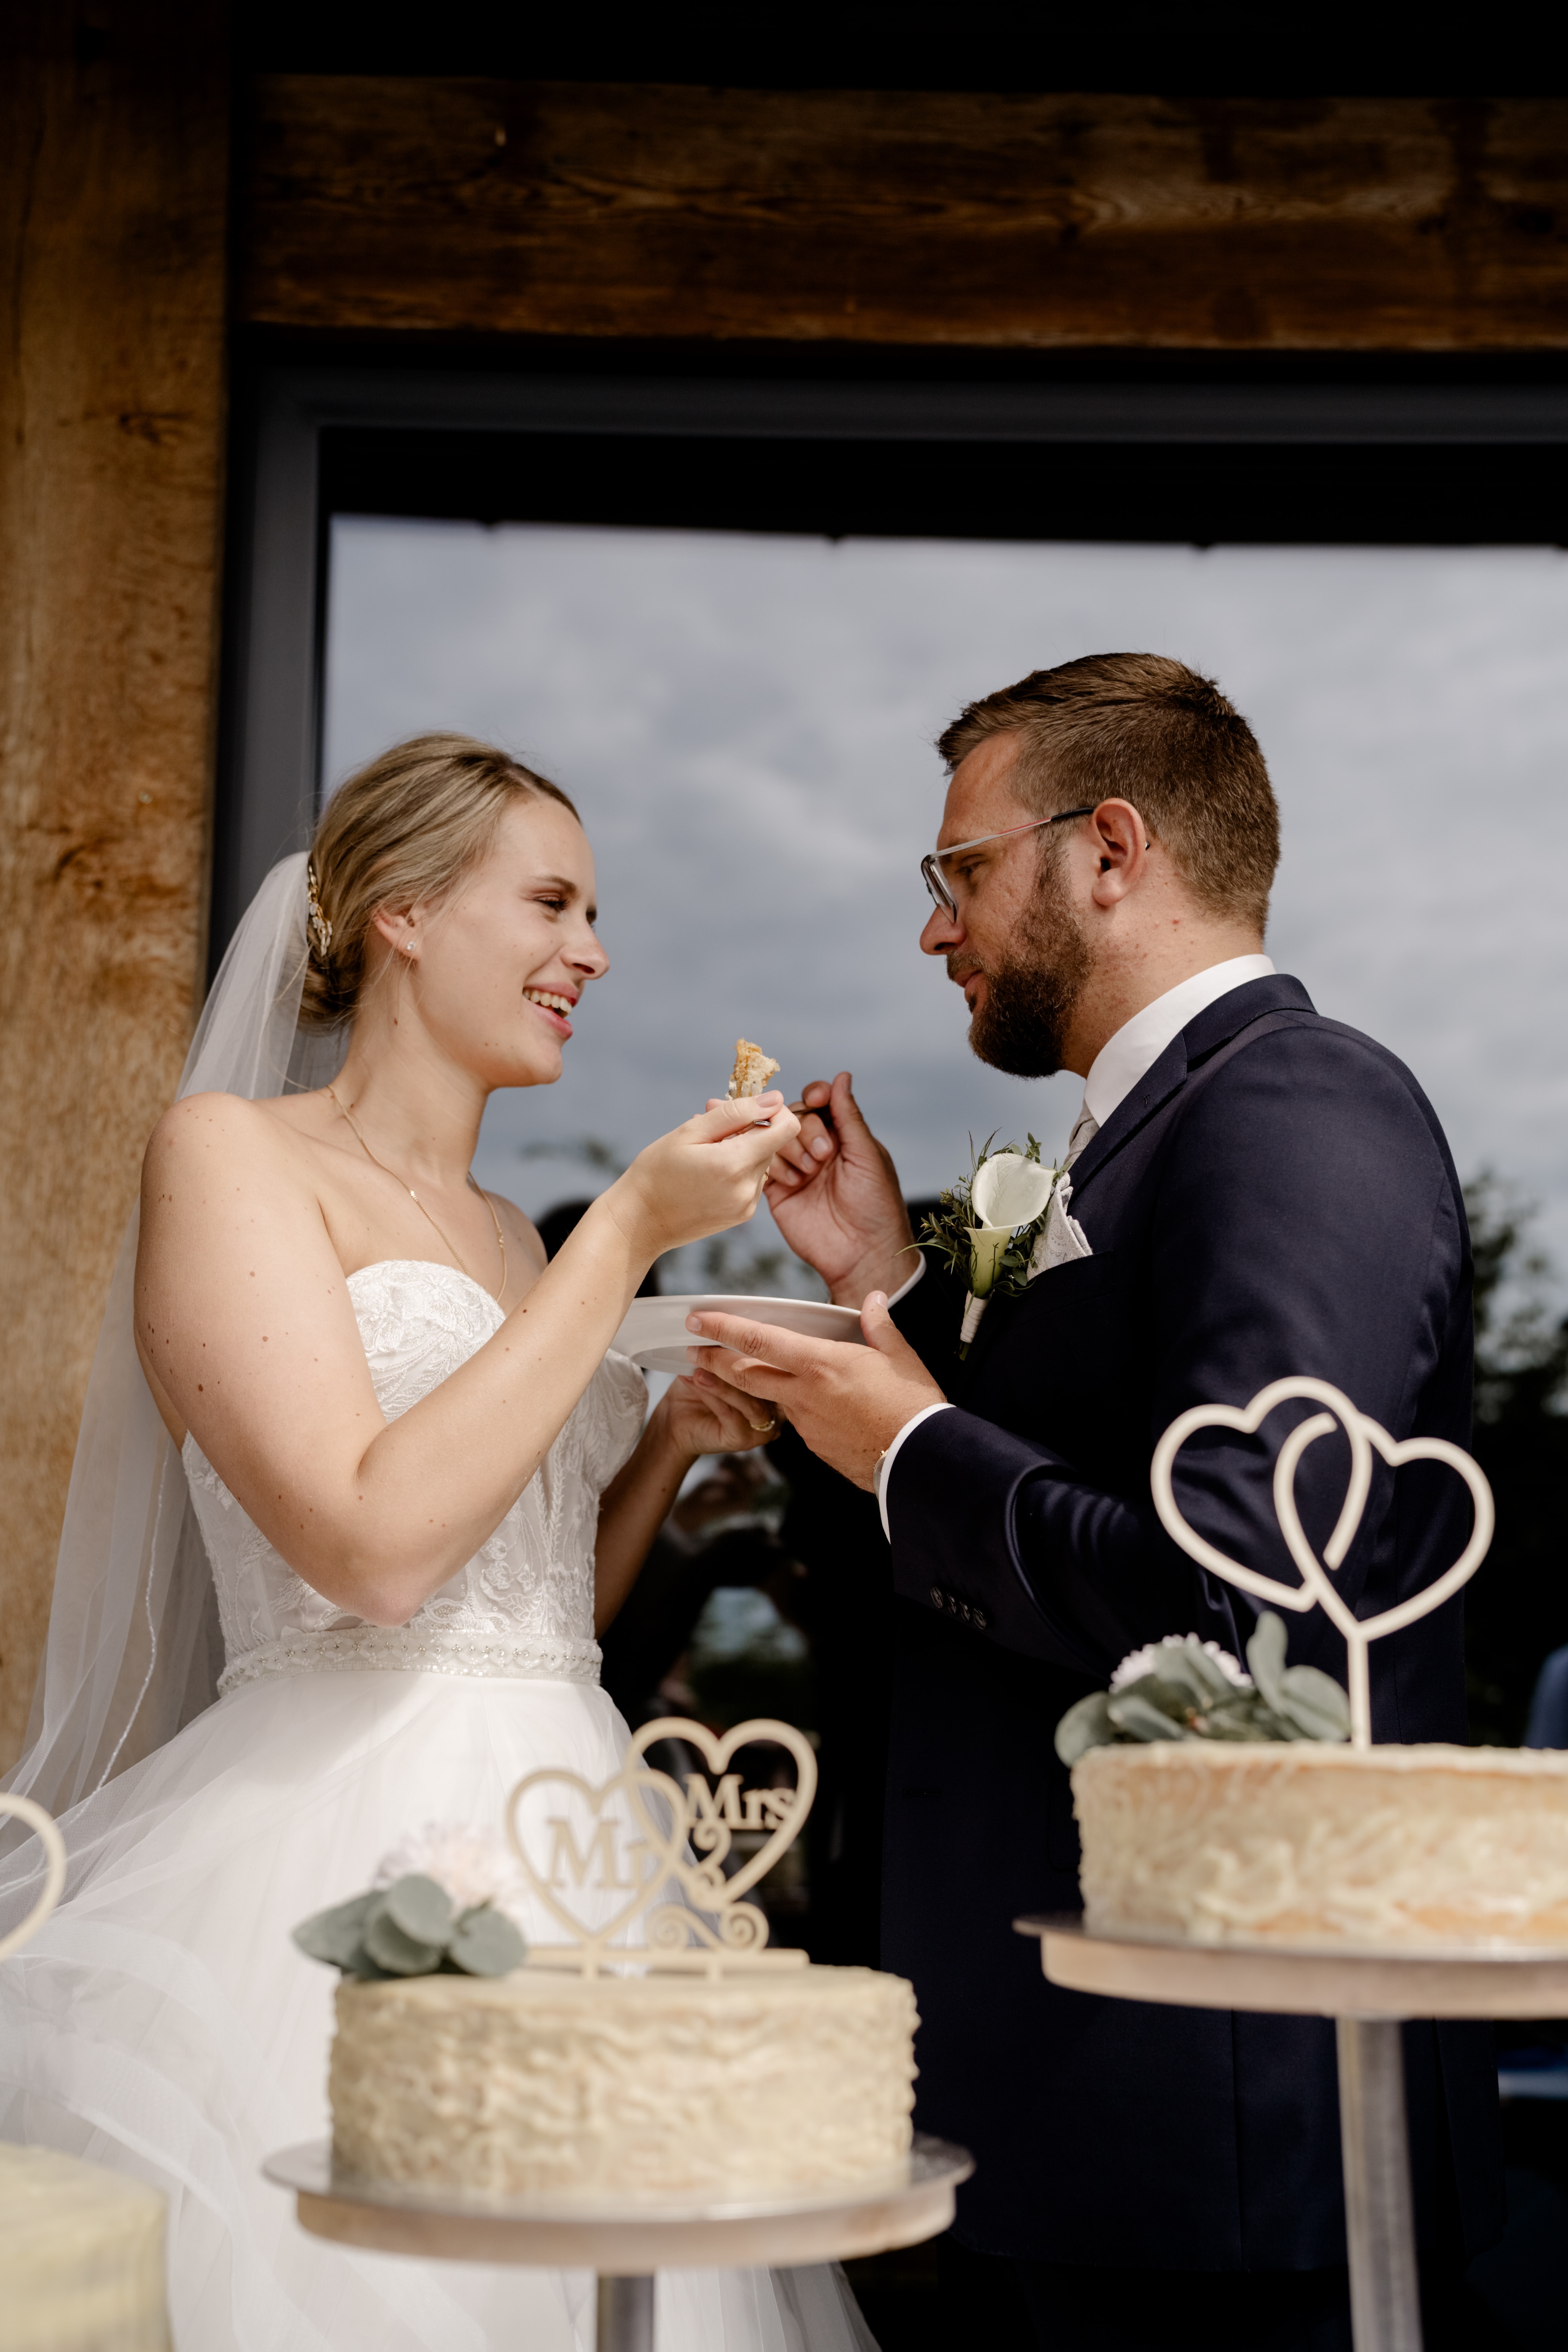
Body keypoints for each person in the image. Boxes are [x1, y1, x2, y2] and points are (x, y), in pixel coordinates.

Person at [0, 733, 878, 2352]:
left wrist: (664, 1449)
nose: (593, 954)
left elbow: (533, 1615)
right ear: (402, 912)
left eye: (594, 914)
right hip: (336, 1855)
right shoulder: (233, 1157)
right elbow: (373, 1553)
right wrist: (626, 1234)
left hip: (573, 1836)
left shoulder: (505, 1236)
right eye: (551, 901)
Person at [684, 656, 1505, 2348]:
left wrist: (911, 1441)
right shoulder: (1130, 1145)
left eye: (957, 872)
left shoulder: (1294, 1103)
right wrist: (888, 1290)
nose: (934, 930)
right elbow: (1023, 1528)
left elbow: (1242, 1608)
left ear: (1109, 848)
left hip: (1211, 2122)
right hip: (1060, 2101)